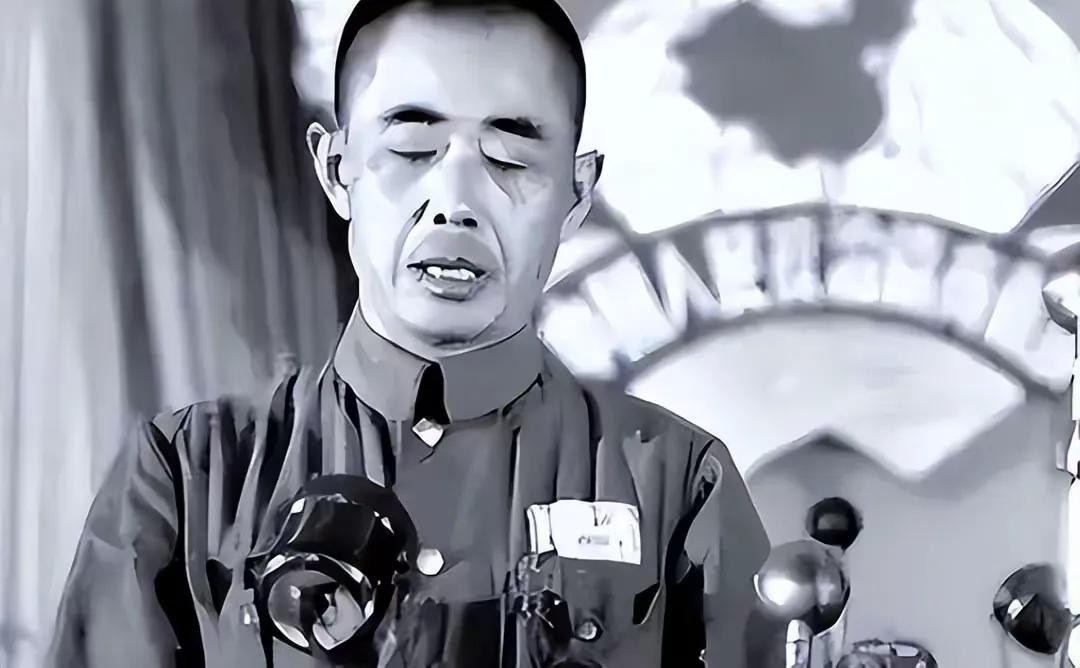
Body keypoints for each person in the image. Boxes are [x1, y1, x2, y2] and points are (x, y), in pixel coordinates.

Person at [47, 0, 770, 666]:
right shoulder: (188, 478)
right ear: (337, 170)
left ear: (576, 193)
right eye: (413, 149)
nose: (455, 202)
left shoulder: (680, 485)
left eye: (510, 157)